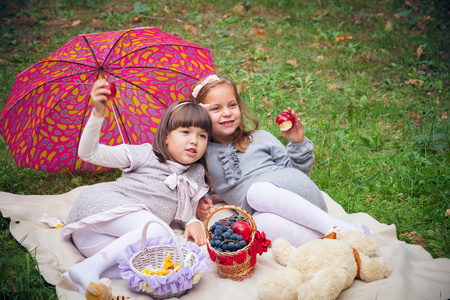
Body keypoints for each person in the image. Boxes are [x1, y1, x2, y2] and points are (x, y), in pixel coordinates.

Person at [61, 79, 212, 294]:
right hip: (99, 212)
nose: (194, 141)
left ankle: (82, 273)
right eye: (185, 132)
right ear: (166, 136)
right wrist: (98, 113)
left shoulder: (195, 173)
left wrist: (194, 221)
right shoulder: (145, 154)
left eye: (202, 135)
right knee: (160, 231)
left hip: (100, 244)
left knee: (148, 265)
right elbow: (89, 153)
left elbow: (186, 211)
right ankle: (87, 269)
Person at [191, 74, 369, 247]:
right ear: (201, 114)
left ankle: (339, 226)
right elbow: (198, 186)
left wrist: (298, 142)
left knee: (256, 192)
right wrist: (201, 203)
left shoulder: (260, 137)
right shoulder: (202, 155)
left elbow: (298, 173)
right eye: (216, 109)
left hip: (301, 201)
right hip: (266, 213)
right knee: (258, 226)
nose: (227, 113)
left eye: (232, 105)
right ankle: (342, 241)